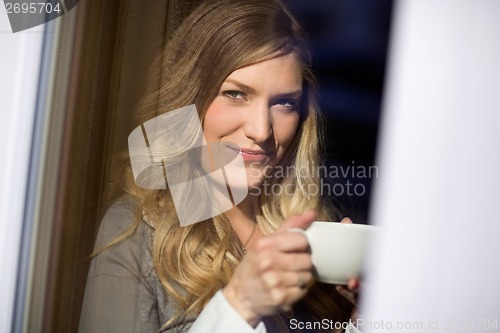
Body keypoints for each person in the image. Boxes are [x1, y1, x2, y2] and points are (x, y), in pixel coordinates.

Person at [79, 0, 361, 332]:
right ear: (190, 99)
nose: (261, 130)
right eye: (236, 94)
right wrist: (239, 304)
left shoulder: (310, 236)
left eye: (284, 103)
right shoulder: (139, 231)